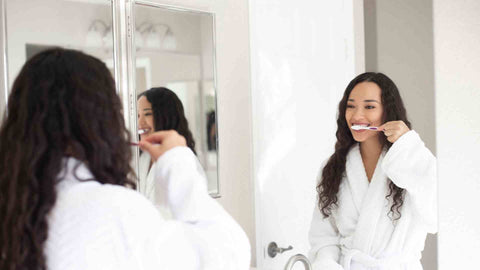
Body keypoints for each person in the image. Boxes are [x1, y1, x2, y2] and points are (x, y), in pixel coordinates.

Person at [0, 48, 250, 270]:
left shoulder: (14, 203)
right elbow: (228, 253)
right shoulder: (112, 211)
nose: (139, 123)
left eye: (147, 114)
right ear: (101, 118)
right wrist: (177, 160)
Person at [308, 72, 437, 270]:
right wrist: (326, 263)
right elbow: (324, 236)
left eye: (369, 106)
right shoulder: (333, 168)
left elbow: (434, 216)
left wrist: (407, 147)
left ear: (388, 111)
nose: (357, 115)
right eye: (351, 106)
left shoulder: (411, 159)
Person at [137, 87, 197, 216]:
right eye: (137, 116)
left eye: (147, 114)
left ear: (165, 116)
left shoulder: (184, 159)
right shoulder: (142, 158)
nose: (140, 122)